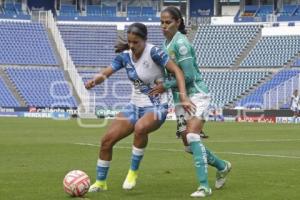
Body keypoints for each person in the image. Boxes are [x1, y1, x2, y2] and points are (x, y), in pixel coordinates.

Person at [85, 22, 193, 192]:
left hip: (157, 106)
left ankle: (132, 173)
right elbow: (106, 72)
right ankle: (100, 183)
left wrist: (183, 96)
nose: (132, 46)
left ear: (144, 40)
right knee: (106, 141)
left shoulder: (154, 52)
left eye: (136, 42)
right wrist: (94, 81)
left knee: (140, 128)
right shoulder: (125, 57)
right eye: (130, 42)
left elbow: (178, 71)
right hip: (134, 105)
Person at [150, 6, 231, 198]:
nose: (164, 26)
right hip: (180, 99)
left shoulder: (181, 43)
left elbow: (188, 75)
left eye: (168, 22)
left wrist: (165, 85)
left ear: (178, 22)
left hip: (196, 94)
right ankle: (223, 166)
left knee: (194, 137)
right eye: (161, 22)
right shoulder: (164, 45)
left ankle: (204, 187)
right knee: (188, 145)